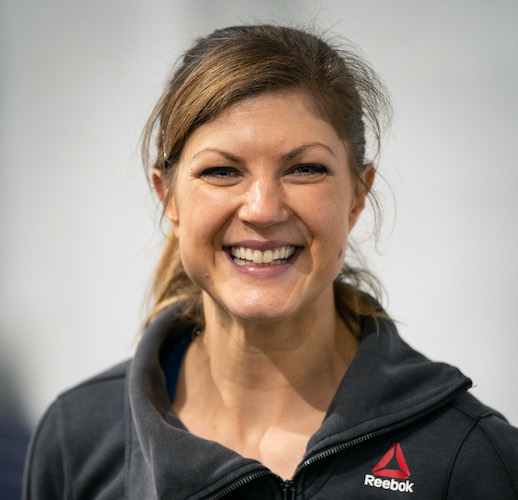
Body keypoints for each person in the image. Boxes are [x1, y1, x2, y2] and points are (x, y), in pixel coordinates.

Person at [23, 24, 518, 499]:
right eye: (222, 171)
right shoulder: (76, 439)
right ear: (167, 196)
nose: (262, 209)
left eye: (305, 169)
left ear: (357, 194)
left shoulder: (473, 454)